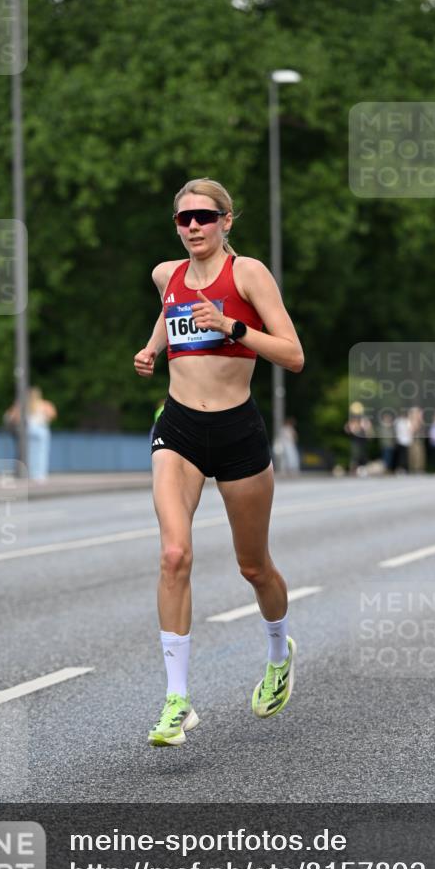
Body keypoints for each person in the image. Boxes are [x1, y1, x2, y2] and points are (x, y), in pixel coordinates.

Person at [133, 178, 304, 746]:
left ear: (227, 220)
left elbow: (294, 355)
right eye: (184, 220)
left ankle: (279, 650)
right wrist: (154, 347)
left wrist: (232, 326)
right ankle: (177, 700)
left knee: (253, 567)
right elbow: (170, 308)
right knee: (174, 553)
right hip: (179, 427)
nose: (194, 227)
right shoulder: (167, 274)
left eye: (205, 217)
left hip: (237, 432)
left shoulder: (248, 274)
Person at [4, 386, 57, 481]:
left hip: (28, 430)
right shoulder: (43, 404)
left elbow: (12, 417)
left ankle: (29, 474)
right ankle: (39, 475)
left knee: (28, 453)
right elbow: (52, 414)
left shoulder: (22, 405)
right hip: (41, 430)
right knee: (41, 454)